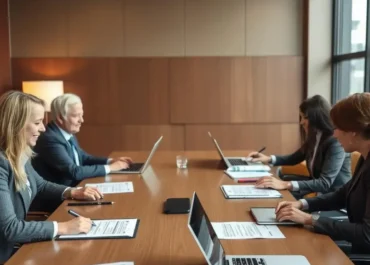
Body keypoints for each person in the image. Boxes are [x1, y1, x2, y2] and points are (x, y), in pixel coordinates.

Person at [0, 91, 103, 263]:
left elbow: (39, 185)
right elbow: (11, 229)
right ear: (16, 124)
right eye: (37, 122)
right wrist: (63, 227)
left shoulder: (19, 154)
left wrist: (73, 191)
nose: (43, 128)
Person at [275, 93, 370, 259]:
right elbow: (343, 193)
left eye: (338, 128)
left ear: (354, 131)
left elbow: (366, 234)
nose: (334, 134)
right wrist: (302, 204)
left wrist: (311, 220)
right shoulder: (365, 156)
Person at [248, 95, 351, 199]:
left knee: (279, 194)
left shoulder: (336, 142)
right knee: (272, 190)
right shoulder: (315, 136)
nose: (301, 122)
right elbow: (294, 158)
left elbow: (325, 183)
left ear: (317, 117)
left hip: (333, 197)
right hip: (317, 190)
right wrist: (268, 158)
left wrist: (285, 184)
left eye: (305, 117)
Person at [32, 93, 132, 187]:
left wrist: (110, 161)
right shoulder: (50, 139)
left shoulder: (66, 132)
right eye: (76, 116)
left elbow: (84, 158)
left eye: (82, 115)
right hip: (58, 201)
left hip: (77, 188)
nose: (81, 120)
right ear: (60, 118)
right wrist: (111, 168)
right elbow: (74, 172)